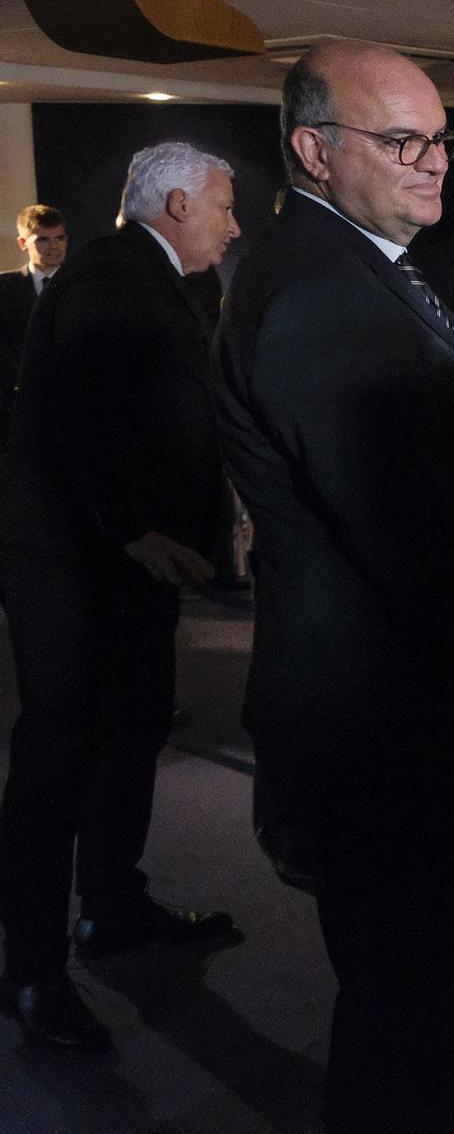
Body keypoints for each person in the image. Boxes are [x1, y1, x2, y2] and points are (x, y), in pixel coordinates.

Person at [213, 41, 454, 1133]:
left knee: (407, 1008)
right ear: (315, 150)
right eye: (402, 140)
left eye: (440, 138)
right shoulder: (318, 289)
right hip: (383, 737)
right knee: (404, 1019)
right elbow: (411, 535)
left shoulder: (353, 267)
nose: (434, 163)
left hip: (387, 722)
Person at [0, 146, 241, 1051]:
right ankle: (30, 968)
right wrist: (129, 525)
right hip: (77, 569)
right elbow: (79, 415)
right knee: (58, 758)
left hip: (119, 569)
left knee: (131, 731)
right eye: (225, 205)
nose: (234, 223)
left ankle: (111, 907)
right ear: (178, 203)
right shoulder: (114, 278)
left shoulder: (133, 271)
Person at [0, 205, 68, 453]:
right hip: (16, 413)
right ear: (22, 243)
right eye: (43, 239)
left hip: (73, 411)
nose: (54, 246)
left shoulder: (86, 285)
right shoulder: (4, 289)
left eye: (60, 238)